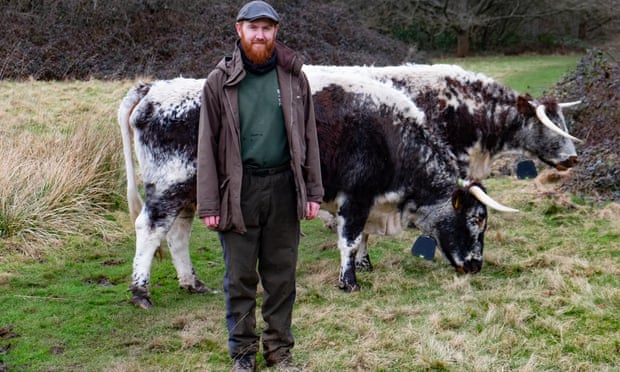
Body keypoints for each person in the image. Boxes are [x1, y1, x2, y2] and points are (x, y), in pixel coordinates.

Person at [196, 1, 324, 371]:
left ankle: (279, 352)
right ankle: (243, 354)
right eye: (253, 28)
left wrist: (313, 192)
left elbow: (310, 137)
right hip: (238, 191)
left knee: (281, 277)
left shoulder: (294, 78)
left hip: (284, 187)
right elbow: (206, 144)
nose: (260, 35)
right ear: (239, 30)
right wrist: (209, 204)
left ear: (275, 32)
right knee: (239, 278)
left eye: (267, 28)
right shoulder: (219, 81)